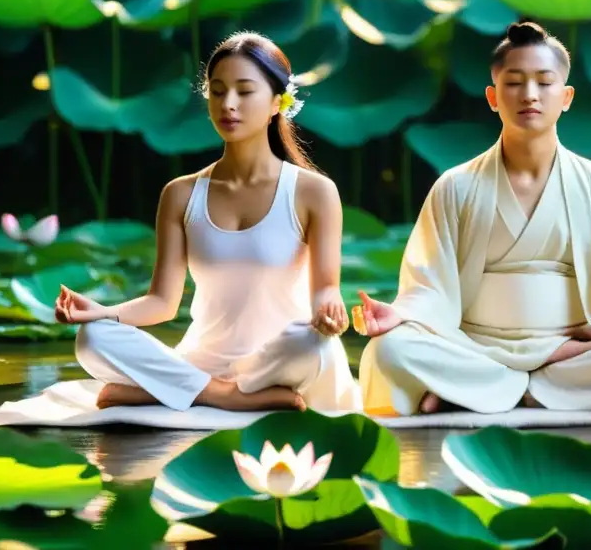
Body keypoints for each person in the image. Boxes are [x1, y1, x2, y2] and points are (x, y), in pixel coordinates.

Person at [355, 22, 591, 416]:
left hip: (571, 350)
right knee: (391, 349)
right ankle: (570, 394)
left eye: (544, 82)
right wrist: (400, 313)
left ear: (566, 96)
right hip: (474, 348)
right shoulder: (456, 186)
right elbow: (429, 287)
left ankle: (478, 394)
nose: (530, 95)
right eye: (514, 82)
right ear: (492, 97)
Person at [53, 32, 361, 413]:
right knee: (93, 339)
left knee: (312, 342)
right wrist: (100, 313)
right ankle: (223, 395)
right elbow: (162, 302)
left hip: (279, 359)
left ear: (277, 103)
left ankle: (166, 392)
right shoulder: (181, 194)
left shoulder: (314, 191)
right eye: (217, 91)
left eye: (244, 92)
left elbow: (325, 289)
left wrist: (330, 309)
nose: (228, 104)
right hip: (201, 361)